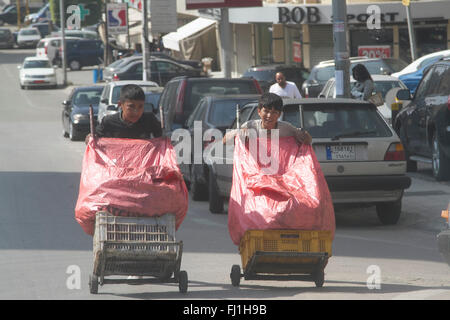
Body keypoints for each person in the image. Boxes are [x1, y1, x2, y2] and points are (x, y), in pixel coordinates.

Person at [223, 92, 312, 145]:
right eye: (266, 111)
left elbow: (307, 141)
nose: (269, 116)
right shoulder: (250, 126)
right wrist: (238, 133)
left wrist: (305, 136)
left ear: (279, 114)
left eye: (274, 112)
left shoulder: (287, 129)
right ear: (259, 111)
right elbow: (225, 141)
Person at [85, 84, 162, 143]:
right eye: (131, 106)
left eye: (140, 107)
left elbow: (161, 139)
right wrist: (90, 138)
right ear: (120, 104)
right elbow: (93, 139)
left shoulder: (149, 120)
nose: (136, 112)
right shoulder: (108, 122)